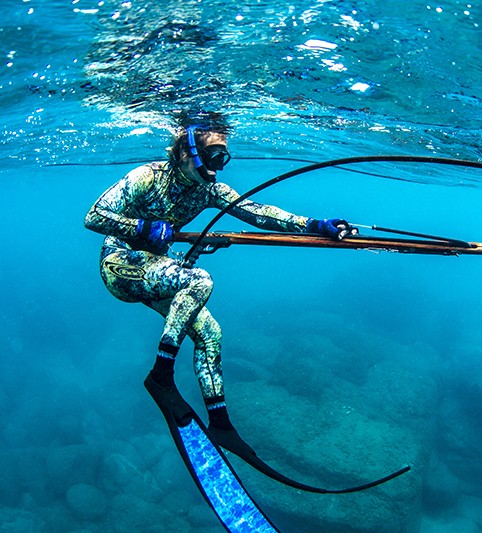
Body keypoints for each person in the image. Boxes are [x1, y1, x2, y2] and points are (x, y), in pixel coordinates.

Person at [84, 117, 356, 438]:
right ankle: (161, 375)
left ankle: (221, 425)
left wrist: (313, 225)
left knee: (211, 333)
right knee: (200, 280)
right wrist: (142, 227)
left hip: (159, 267)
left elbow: (257, 211)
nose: (218, 166)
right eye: (214, 155)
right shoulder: (147, 177)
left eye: (223, 157)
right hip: (120, 265)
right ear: (187, 152)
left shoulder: (208, 189)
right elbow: (94, 215)